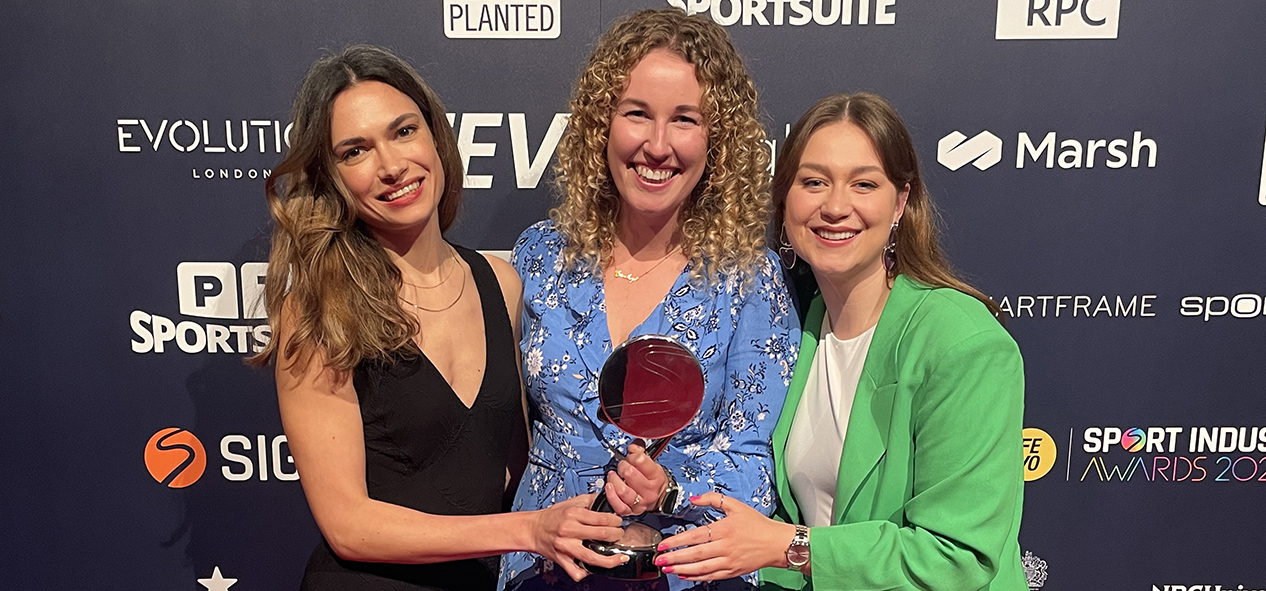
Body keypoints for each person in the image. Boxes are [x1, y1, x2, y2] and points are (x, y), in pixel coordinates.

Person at [250, 45, 626, 590]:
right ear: (330, 176)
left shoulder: (501, 283)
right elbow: (349, 527)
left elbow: (519, 464)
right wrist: (526, 531)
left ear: (435, 137)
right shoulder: (318, 310)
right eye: (355, 151)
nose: (392, 165)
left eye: (403, 132)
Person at [653, 93, 1027, 590]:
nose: (834, 207)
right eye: (813, 182)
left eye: (864, 184)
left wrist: (790, 547)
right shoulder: (795, 325)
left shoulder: (963, 343)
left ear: (900, 203)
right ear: (784, 200)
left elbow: (957, 556)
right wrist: (669, 493)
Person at [501, 9, 800, 591]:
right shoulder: (540, 255)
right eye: (637, 114)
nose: (657, 146)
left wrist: (668, 489)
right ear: (600, 126)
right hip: (545, 569)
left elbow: (752, 459)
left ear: (717, 140)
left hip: (687, 571)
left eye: (684, 120)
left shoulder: (748, 276)